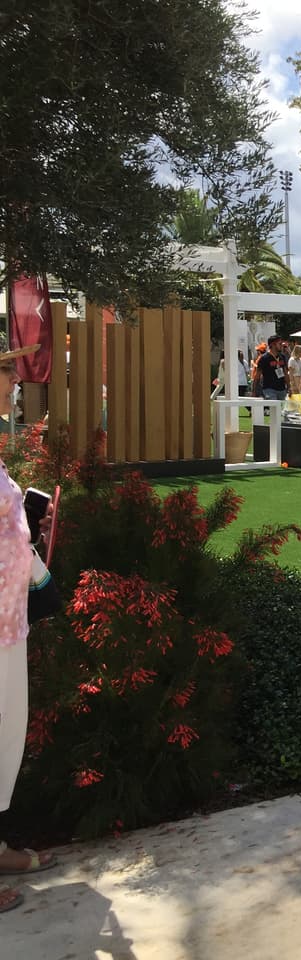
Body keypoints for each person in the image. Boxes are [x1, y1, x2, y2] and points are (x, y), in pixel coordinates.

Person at [0, 340, 57, 914]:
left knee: (5, 733)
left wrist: (29, 526)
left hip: (9, 620)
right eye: (5, 374)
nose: (14, 383)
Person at [257, 335, 288, 401]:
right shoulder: (264, 358)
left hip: (282, 389)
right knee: (273, 409)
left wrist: (289, 386)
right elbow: (257, 376)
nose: (281, 346)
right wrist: (254, 391)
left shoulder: (282, 356)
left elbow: (285, 372)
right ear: (273, 344)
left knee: (281, 410)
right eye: (279, 344)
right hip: (269, 389)